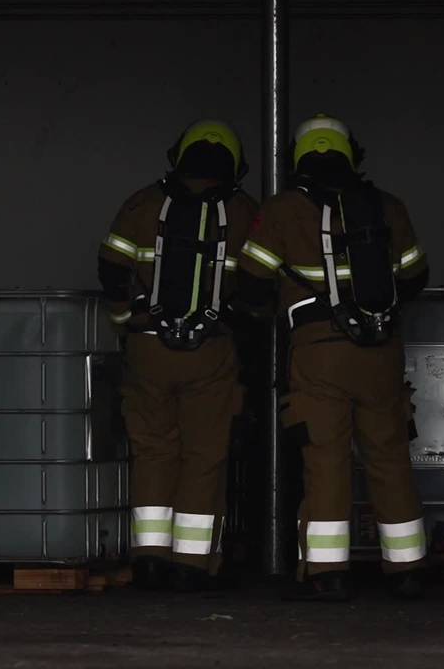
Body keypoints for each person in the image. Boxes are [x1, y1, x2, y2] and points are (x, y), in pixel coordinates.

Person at [235, 113, 430, 600]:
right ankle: (407, 569)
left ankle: (329, 574)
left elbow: (251, 282)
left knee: (325, 459)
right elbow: (415, 278)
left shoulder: (283, 210)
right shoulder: (388, 206)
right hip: (380, 353)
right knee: (389, 457)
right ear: (351, 153)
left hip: (319, 352)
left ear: (297, 156)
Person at [98, 120, 259, 591]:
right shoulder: (244, 211)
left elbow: (112, 268)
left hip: (149, 348)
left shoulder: (143, 204)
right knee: (204, 454)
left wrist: (127, 319)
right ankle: (191, 563)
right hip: (212, 350)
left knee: (152, 451)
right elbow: (260, 285)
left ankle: (149, 558)